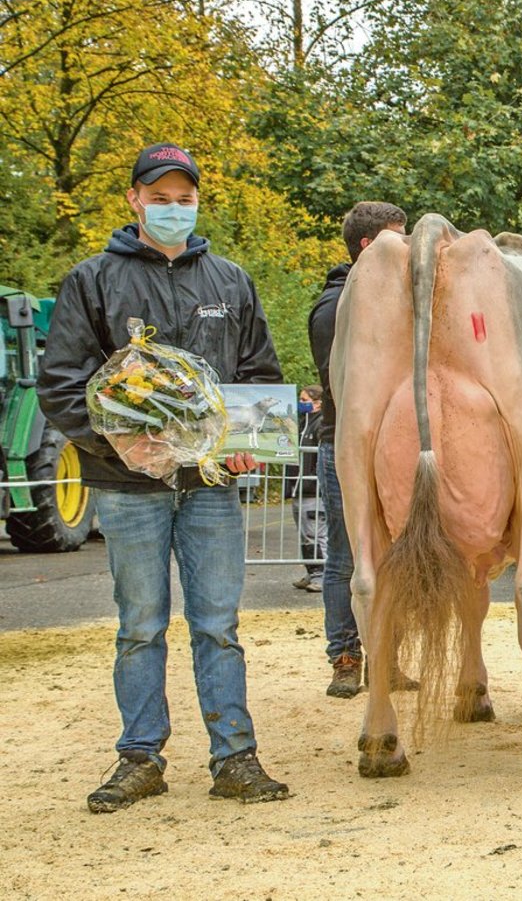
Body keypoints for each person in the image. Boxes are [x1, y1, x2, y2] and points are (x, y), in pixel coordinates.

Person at [38, 142, 291, 811]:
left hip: (209, 490)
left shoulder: (230, 282)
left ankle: (235, 757)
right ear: (134, 199)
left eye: (185, 199)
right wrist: (115, 442)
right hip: (128, 491)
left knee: (217, 624)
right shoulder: (92, 280)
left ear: (197, 203)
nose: (173, 208)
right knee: (141, 626)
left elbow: (259, 377)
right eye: (160, 197)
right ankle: (139, 757)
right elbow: (61, 384)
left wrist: (246, 443)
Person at [308, 201, 410, 697]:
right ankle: (345, 655)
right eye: (398, 239)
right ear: (369, 248)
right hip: (343, 445)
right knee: (349, 555)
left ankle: (385, 656)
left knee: (391, 555)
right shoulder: (335, 306)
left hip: (390, 444)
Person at [286, 385, 326, 592]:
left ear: (317, 402)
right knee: (304, 534)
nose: (301, 404)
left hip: (313, 489)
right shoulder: (302, 425)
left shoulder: (320, 425)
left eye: (304, 400)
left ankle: (322, 574)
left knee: (315, 533)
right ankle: (312, 571)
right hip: (298, 488)